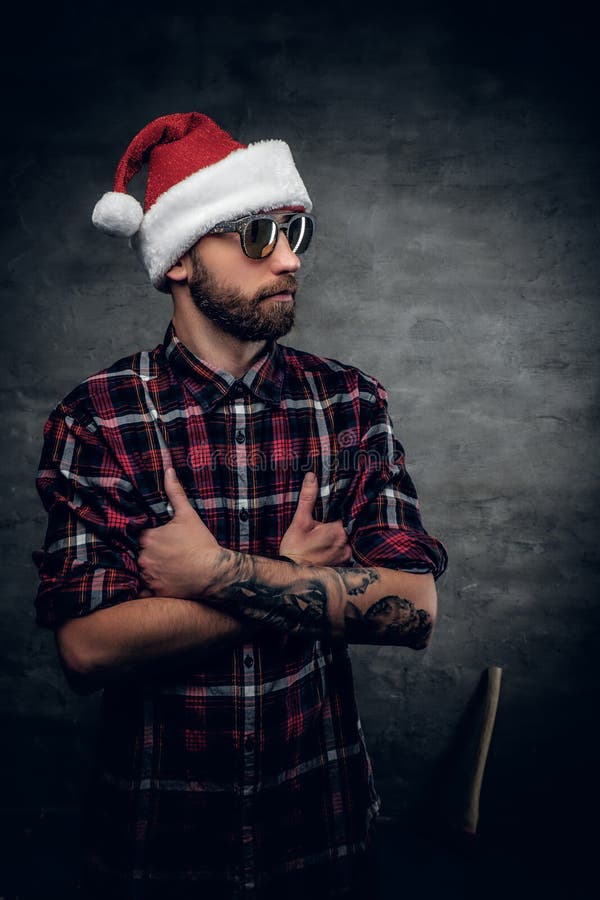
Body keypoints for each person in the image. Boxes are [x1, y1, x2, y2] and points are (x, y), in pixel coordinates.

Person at [33, 112, 448, 900]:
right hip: (156, 841)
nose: (290, 257)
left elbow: (414, 609)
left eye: (296, 230)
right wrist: (294, 578)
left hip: (322, 833)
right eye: (258, 235)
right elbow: (88, 649)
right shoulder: (99, 419)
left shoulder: (349, 403)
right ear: (182, 258)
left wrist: (213, 573)